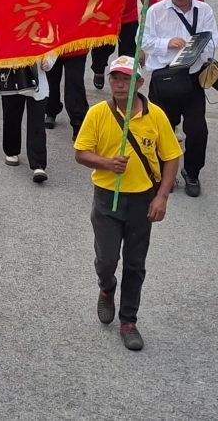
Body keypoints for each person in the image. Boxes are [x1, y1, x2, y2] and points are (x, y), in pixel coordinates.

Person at [74, 56, 180, 350]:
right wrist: (107, 163)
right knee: (107, 259)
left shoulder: (156, 115)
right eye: (115, 79)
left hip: (141, 200)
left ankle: (129, 320)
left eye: (126, 79)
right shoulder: (97, 113)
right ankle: (106, 288)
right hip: (107, 196)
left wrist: (162, 196)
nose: (119, 85)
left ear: (140, 83)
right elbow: (81, 153)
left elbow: (172, 156)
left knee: (135, 263)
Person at [141, 0, 218, 197]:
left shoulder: (204, 10)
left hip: (192, 77)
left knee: (197, 130)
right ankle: (165, 173)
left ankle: (192, 173)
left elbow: (214, 40)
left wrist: (197, 49)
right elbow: (142, 40)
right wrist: (167, 43)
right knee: (162, 129)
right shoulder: (155, 11)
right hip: (164, 77)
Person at [1, 54, 56, 183]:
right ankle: (11, 150)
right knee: (11, 114)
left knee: (36, 120)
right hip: (10, 66)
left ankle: (38, 163)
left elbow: (53, 38)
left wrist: (49, 60)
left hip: (37, 71)